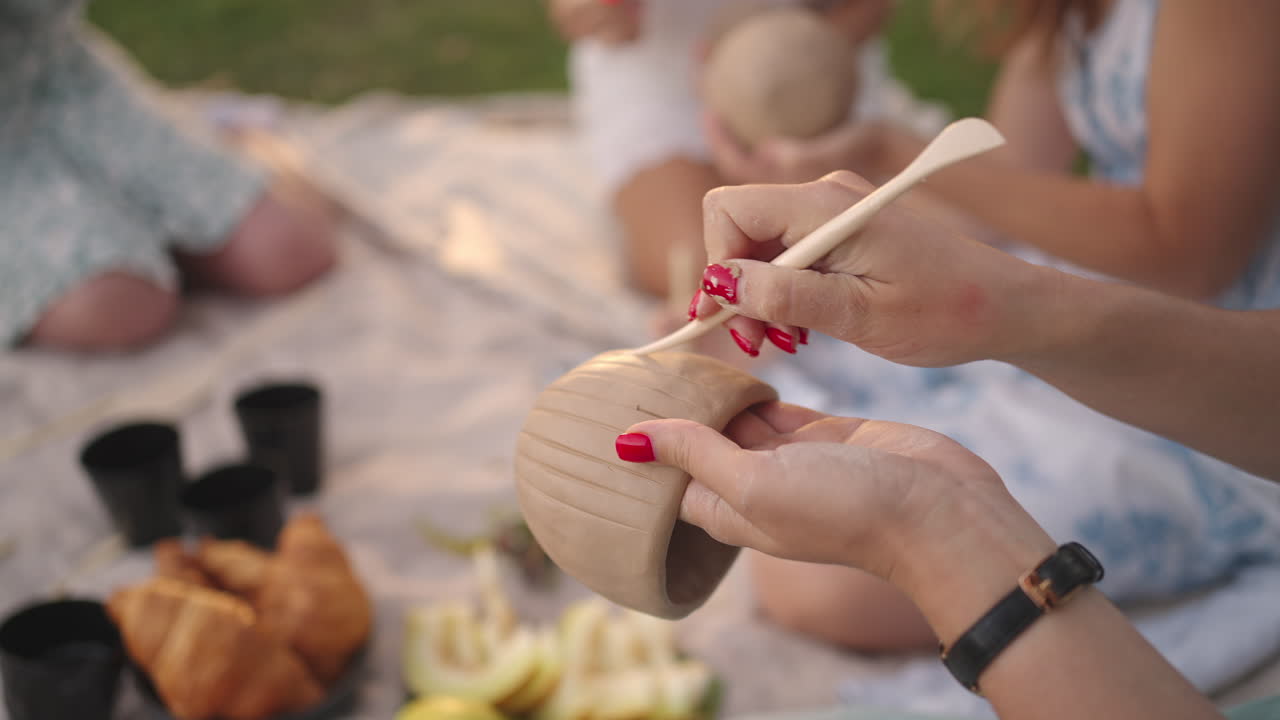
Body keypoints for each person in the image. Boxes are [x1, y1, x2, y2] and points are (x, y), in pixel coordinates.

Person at [692, 0, 1280, 655]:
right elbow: (1004, 193)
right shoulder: (1061, 14)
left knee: (814, 573)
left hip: (1216, 389)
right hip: (1084, 300)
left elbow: (1189, 250)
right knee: (734, 365)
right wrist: (828, 232)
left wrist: (889, 147)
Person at [617, 172, 1280, 719]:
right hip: (1136, 341)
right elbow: (1012, 160)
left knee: (809, 575)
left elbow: (1188, 244)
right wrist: (993, 304)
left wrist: (931, 532)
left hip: (1201, 426)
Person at [1, 0, 339, 353]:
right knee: (120, 308)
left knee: (288, 251)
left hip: (64, 81)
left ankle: (238, 144)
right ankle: (120, 255)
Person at [547, 0, 899, 300]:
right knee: (708, 272)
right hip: (658, 71)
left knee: (861, 260)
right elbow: (577, 11)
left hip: (810, 65)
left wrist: (777, 64)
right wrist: (599, 12)